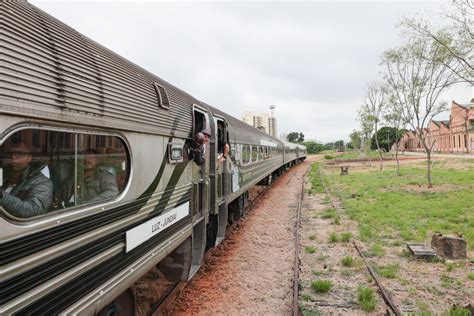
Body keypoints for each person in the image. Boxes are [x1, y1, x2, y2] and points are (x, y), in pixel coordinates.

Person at [0, 143, 53, 218]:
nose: (13, 157)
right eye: (9, 154)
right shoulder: (4, 174)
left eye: (19, 154)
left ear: (29, 158)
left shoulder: (41, 182)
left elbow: (35, 210)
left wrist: (2, 196)